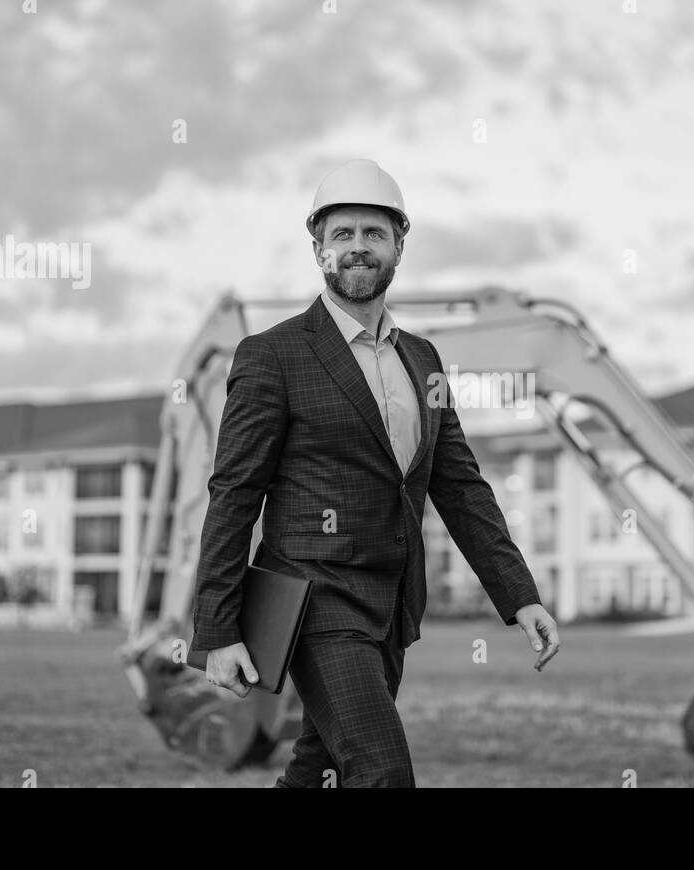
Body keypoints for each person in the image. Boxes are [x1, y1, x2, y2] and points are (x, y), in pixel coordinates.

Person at [188, 158, 559, 788]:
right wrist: (217, 629)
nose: (358, 247)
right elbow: (234, 493)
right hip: (313, 599)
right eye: (342, 235)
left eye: (374, 234)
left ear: (398, 247)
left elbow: (460, 486)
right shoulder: (272, 355)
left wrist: (519, 594)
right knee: (382, 771)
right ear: (318, 250)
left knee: (321, 767)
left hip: (391, 604)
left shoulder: (424, 358)